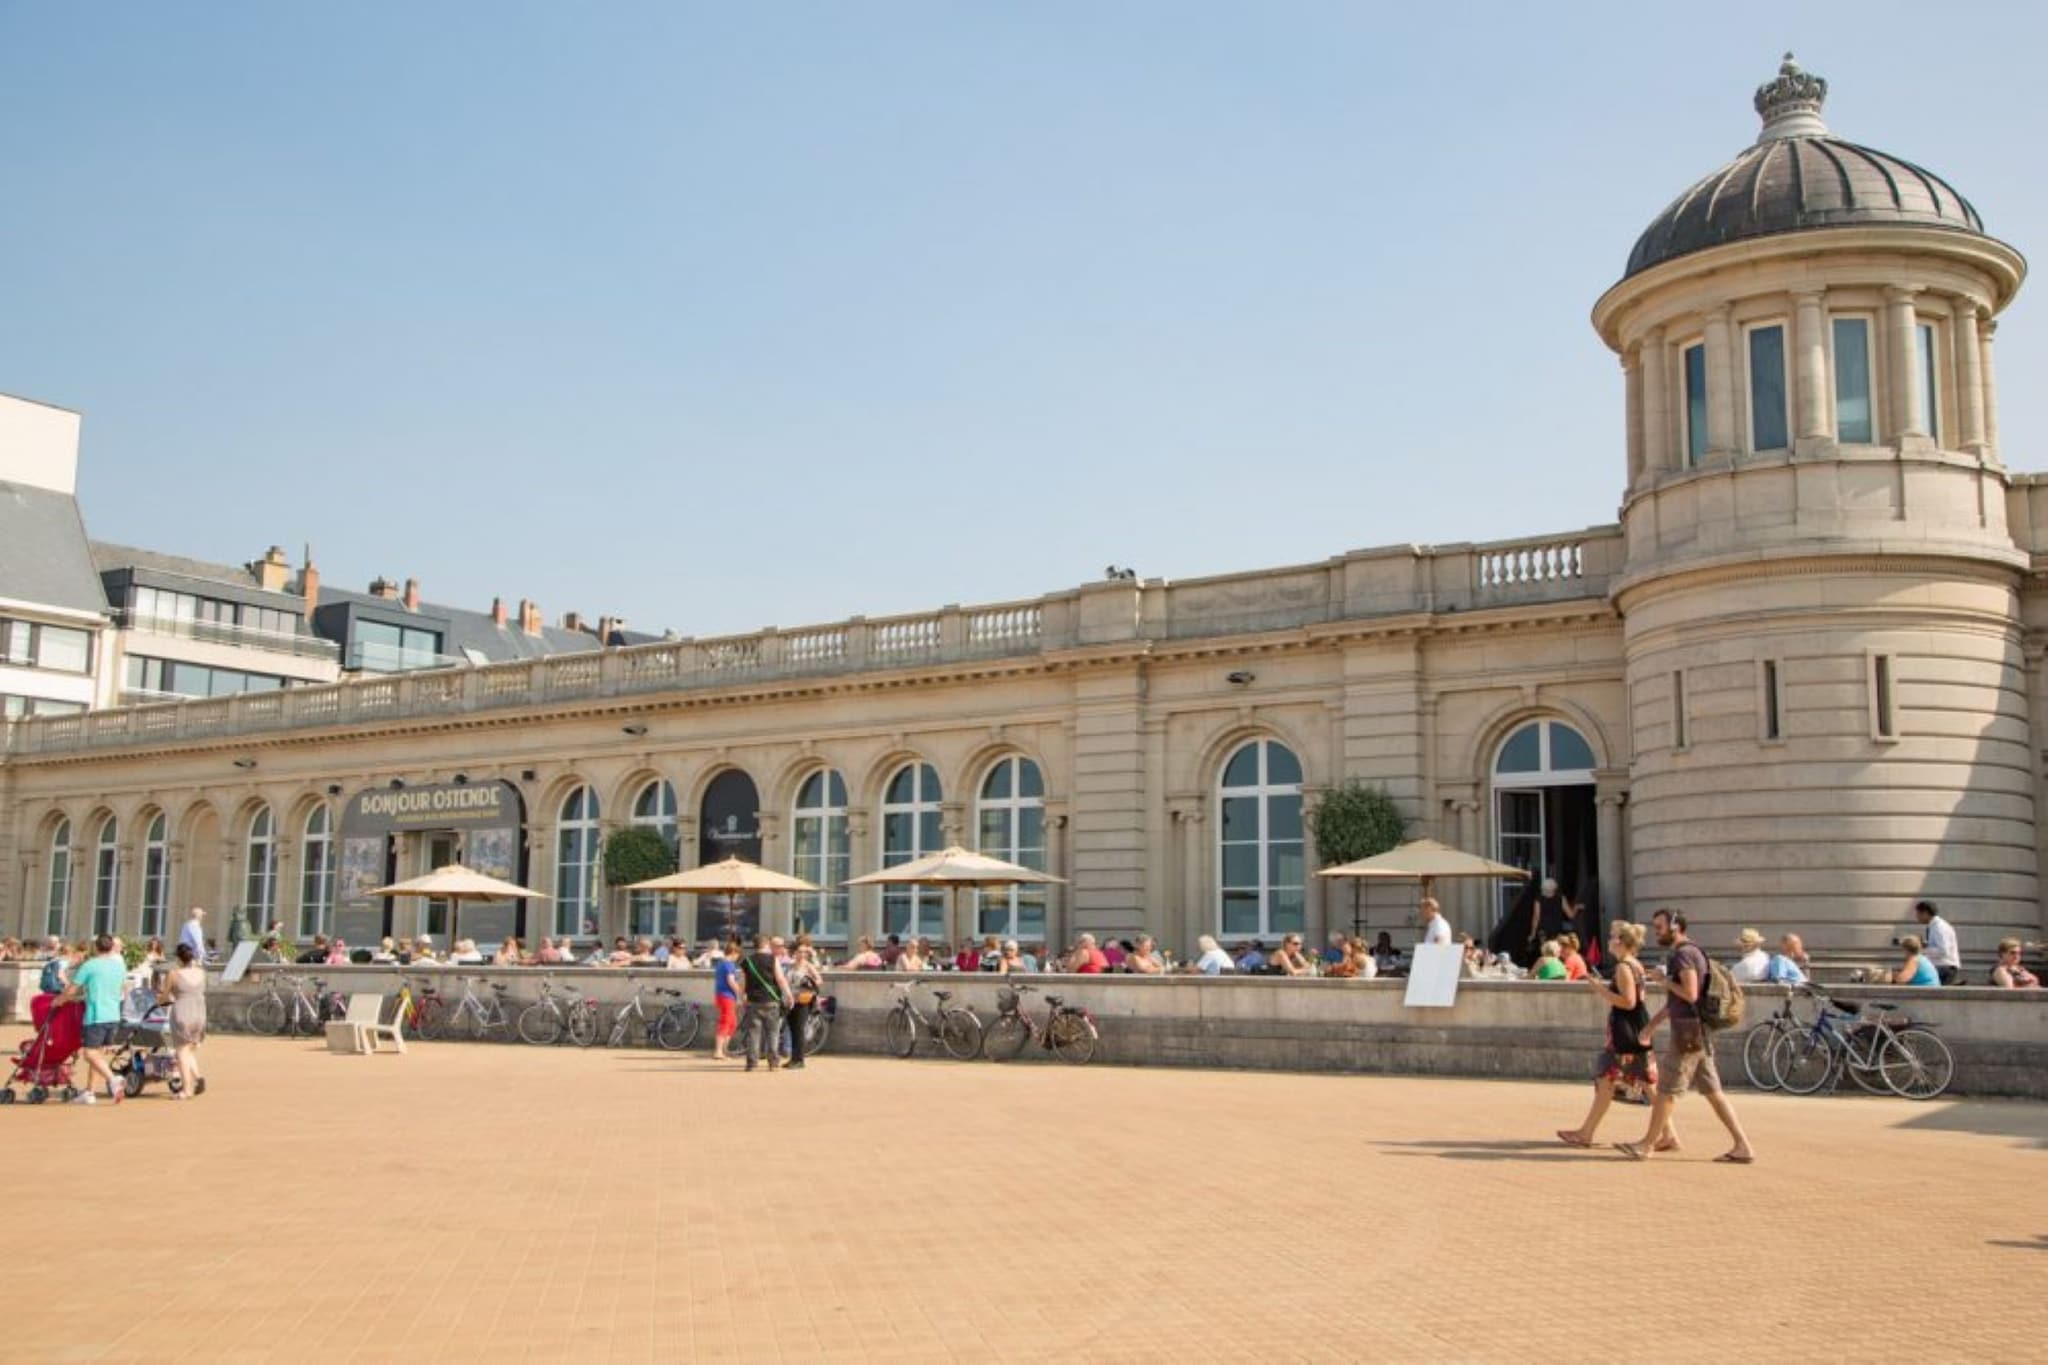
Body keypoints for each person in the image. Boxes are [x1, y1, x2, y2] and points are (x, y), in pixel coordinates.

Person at [1617, 909, 1756, 1164]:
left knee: (1666, 1090)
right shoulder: (1691, 952)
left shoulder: (1683, 954)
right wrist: (1652, 1026)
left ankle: (1648, 1144)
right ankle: (1742, 1145)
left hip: (1688, 1034)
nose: (1656, 932)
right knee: (1714, 1092)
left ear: (1675, 926)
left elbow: (1690, 994)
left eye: (1659, 927)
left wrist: (1663, 980)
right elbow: (1677, 1003)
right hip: (1696, 1031)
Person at [1557, 921, 1674, 1151]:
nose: (1609, 939)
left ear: (1621, 941)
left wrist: (1599, 988)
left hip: (1625, 1031)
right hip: (1635, 1028)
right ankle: (1668, 1134)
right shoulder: (1636, 964)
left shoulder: (1623, 967)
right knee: (1633, 1081)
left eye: (1612, 936)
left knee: (1614, 1079)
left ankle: (1586, 1133)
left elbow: (1628, 1001)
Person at [63, 934, 127, 1105]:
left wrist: (58, 1000)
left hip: (96, 1015)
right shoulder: (119, 966)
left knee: (89, 1053)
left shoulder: (90, 965)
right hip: (113, 1014)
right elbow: (123, 988)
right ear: (112, 947)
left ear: (96, 947)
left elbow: (72, 989)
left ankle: (113, 1080)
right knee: (97, 1054)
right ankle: (90, 1092)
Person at [737, 932, 792, 1072]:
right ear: (766, 944)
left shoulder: (746, 961)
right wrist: (789, 995)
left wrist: (741, 998)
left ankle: (751, 1064)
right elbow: (780, 979)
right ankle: (773, 1064)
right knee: (772, 1033)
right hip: (771, 1001)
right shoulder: (773, 960)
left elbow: (742, 983)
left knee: (753, 1034)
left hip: (753, 1002)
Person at [160, 942, 208, 1099]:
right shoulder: (201, 973)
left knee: (181, 1051)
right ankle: (197, 1078)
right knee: (189, 1049)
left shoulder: (174, 974)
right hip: (199, 1014)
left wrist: (160, 1000)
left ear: (178, 959)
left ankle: (187, 1089)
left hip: (182, 1013)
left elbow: (164, 996)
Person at [784, 943, 823, 1071]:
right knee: (792, 1029)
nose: (802, 954)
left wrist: (809, 981)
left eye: (804, 952)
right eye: (800, 952)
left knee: (799, 1029)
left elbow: (819, 980)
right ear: (794, 953)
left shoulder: (808, 966)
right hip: (790, 1000)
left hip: (803, 1000)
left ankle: (799, 1059)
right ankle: (793, 1058)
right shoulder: (789, 966)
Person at [1914, 901, 1961, 985]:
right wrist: (1925, 944)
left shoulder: (1939, 927)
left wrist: (1922, 950)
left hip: (1944, 968)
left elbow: (1943, 950)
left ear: (1925, 913)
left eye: (1918, 914)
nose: (1917, 917)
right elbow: (1937, 945)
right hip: (1941, 966)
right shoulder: (1934, 926)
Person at [711, 940, 743, 1060]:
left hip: (722, 995)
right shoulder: (729, 964)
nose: (737, 958)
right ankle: (719, 1050)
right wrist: (740, 991)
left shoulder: (721, 963)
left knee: (732, 1023)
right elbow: (731, 981)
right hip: (727, 996)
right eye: (737, 955)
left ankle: (724, 1049)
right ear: (734, 952)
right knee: (726, 1022)